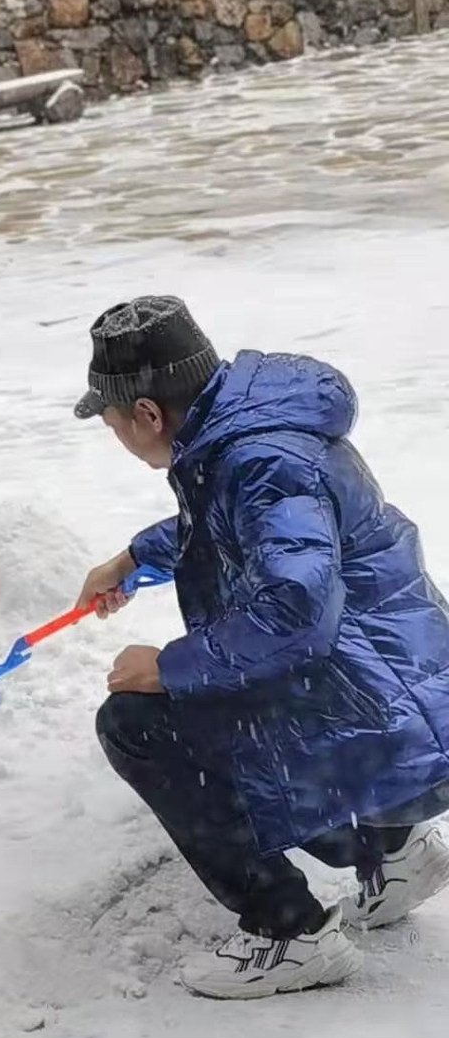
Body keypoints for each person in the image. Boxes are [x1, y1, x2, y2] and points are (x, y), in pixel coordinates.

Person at [74, 296, 449, 1000]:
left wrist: (169, 667)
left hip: (389, 724)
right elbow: (236, 529)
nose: (117, 433)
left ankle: (292, 932)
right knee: (216, 690)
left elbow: (296, 608)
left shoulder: (259, 459)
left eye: (114, 419)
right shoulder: (249, 429)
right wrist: (134, 557)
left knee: (135, 721)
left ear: (148, 415)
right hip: (402, 693)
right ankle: (392, 848)